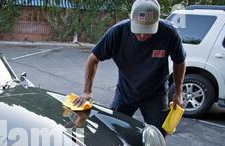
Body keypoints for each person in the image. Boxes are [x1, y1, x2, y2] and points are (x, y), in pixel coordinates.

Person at [75, 0, 186, 135]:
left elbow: (179, 61)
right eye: (138, 31)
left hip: (155, 94)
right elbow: (93, 59)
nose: (143, 36)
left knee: (157, 135)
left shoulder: (169, 33)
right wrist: (87, 91)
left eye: (148, 31)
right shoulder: (117, 33)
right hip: (125, 93)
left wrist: (178, 93)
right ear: (130, 19)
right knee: (111, 130)